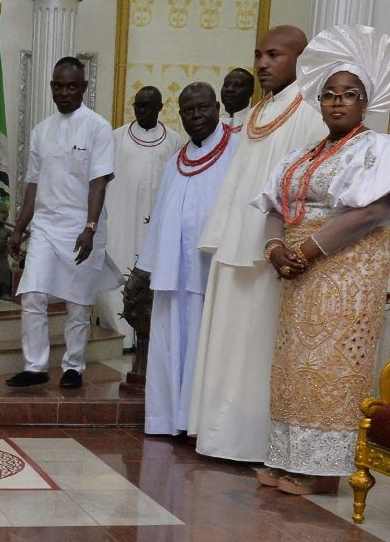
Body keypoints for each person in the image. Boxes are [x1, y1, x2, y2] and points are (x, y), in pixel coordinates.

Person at [251, 25, 390, 494]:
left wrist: (310, 248)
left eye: (348, 95)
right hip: (299, 273)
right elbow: (273, 207)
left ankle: (323, 473)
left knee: (332, 367)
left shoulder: (376, 151)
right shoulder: (299, 154)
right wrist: (275, 248)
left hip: (345, 276)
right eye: (329, 94)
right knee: (295, 365)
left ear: (364, 102)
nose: (336, 103)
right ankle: (289, 460)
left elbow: (373, 211)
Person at [189, 26, 326, 462]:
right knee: (229, 339)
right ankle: (221, 436)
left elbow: (309, 183)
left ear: (301, 60)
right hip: (236, 242)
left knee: (258, 343)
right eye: (258, 55)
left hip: (273, 247)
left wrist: (288, 241)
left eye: (274, 55)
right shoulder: (258, 111)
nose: (263, 63)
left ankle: (254, 442)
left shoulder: (310, 112)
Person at [6, 57, 120, 389]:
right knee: (32, 295)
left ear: (83, 88)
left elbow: (99, 183)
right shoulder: (42, 130)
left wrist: (90, 228)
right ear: (52, 87)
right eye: (58, 86)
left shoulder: (97, 127)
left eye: (71, 86)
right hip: (44, 225)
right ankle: (35, 366)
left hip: (82, 228)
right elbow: (33, 185)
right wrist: (18, 228)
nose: (64, 92)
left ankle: (73, 366)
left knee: (78, 302)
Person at [135, 83, 239, 436]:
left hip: (210, 273)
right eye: (188, 111)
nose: (196, 116)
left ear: (217, 108)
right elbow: (162, 213)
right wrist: (145, 268)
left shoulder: (237, 150)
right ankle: (167, 420)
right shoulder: (177, 160)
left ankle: (199, 425)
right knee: (169, 342)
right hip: (173, 273)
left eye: (203, 108)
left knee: (203, 345)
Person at [99, 86, 180, 348]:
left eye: (149, 106)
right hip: (122, 218)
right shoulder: (115, 138)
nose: (143, 110)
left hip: (156, 223)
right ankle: (120, 336)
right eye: (139, 105)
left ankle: (148, 337)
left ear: (160, 108)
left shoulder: (174, 141)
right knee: (119, 267)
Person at [220, 67, 255, 133]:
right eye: (226, 85)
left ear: (250, 92)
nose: (229, 89)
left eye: (237, 85)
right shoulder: (213, 124)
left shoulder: (257, 123)